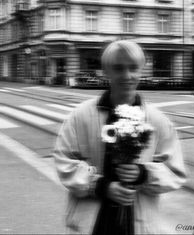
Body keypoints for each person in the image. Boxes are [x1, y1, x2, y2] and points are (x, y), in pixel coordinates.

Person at [53, 40, 187, 235]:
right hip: (92, 224)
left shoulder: (157, 120)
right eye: (118, 68)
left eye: (133, 68)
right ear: (106, 71)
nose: (127, 76)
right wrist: (100, 186)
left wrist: (144, 174)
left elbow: (175, 171)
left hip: (139, 225)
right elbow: (64, 161)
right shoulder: (81, 115)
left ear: (142, 70)